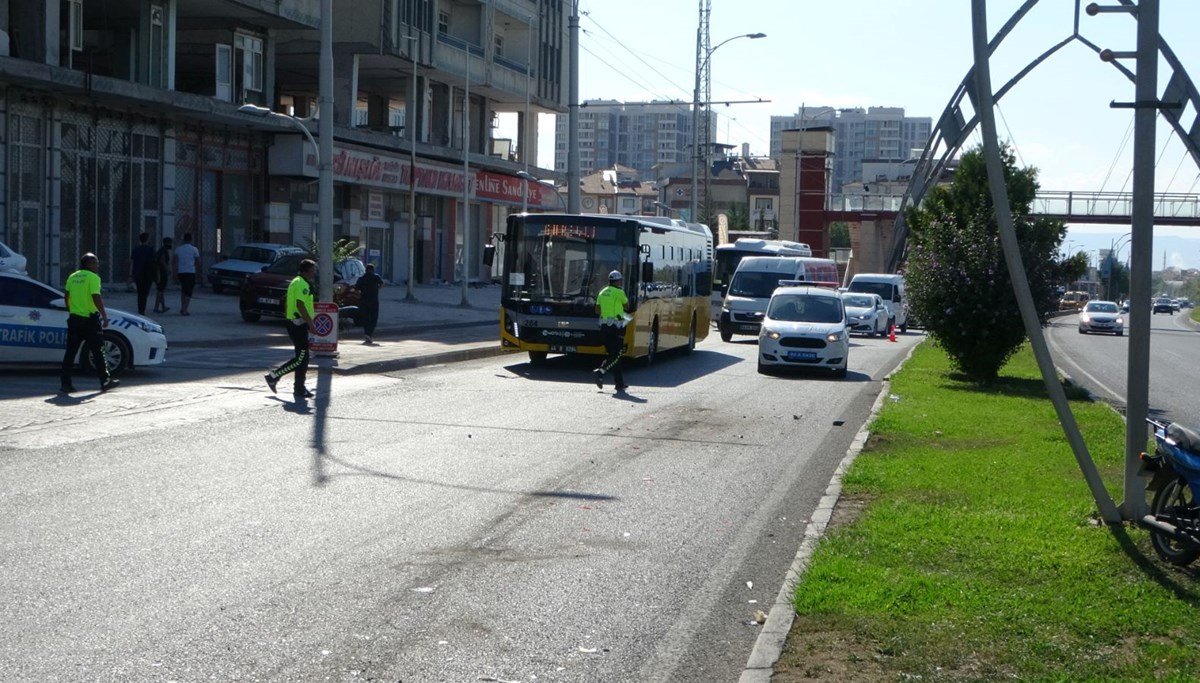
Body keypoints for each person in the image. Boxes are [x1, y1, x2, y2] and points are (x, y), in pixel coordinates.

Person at [60, 253, 118, 394]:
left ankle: (65, 384)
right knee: (98, 351)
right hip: (90, 321)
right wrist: (104, 316)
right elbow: (96, 296)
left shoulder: (72, 277)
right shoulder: (93, 278)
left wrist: (71, 310)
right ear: (89, 264)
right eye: (96, 263)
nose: (98, 265)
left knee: (70, 352)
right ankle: (105, 381)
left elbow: (67, 296)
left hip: (74, 320)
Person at [265, 258, 317, 400]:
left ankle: (299, 388)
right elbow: (300, 305)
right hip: (297, 324)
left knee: (303, 358)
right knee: (301, 358)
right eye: (313, 270)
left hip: (295, 322)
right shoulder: (302, 284)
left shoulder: (296, 281)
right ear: (307, 271)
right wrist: (311, 324)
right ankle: (274, 376)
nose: (314, 273)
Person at [593, 269, 629, 392]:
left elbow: (597, 310)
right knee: (617, 354)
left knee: (613, 355)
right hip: (616, 327)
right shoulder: (619, 292)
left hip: (603, 327)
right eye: (620, 281)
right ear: (618, 281)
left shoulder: (602, 292)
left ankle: (619, 383)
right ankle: (600, 372)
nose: (620, 283)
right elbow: (626, 306)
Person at [353, 263, 384, 343]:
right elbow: (382, 284)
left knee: (365, 318)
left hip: (364, 301)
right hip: (374, 301)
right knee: (373, 318)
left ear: (365, 270)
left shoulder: (361, 278)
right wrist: (377, 289)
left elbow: (356, 289)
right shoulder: (376, 277)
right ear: (373, 270)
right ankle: (369, 334)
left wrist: (360, 293)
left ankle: (367, 333)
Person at [173, 232, 201, 316]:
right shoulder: (194, 249)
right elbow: (198, 261)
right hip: (190, 271)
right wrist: (199, 272)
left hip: (181, 272)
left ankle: (182, 307)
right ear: (191, 239)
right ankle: (185, 309)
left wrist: (175, 272)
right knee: (189, 291)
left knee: (183, 289)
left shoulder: (178, 249)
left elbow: (174, 261)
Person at [129, 232, 156, 315]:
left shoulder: (136, 250)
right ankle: (142, 309)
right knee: (145, 292)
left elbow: (132, 263)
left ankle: (141, 309)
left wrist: (130, 274)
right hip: (148, 274)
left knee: (140, 293)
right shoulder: (151, 250)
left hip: (138, 274)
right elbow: (153, 263)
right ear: (147, 239)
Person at [153, 236, 173, 313]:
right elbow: (162, 261)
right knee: (160, 290)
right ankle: (156, 307)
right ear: (167, 243)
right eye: (170, 243)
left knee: (161, 290)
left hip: (159, 272)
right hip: (161, 273)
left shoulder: (162, 250)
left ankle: (163, 306)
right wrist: (167, 270)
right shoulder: (163, 251)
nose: (171, 244)